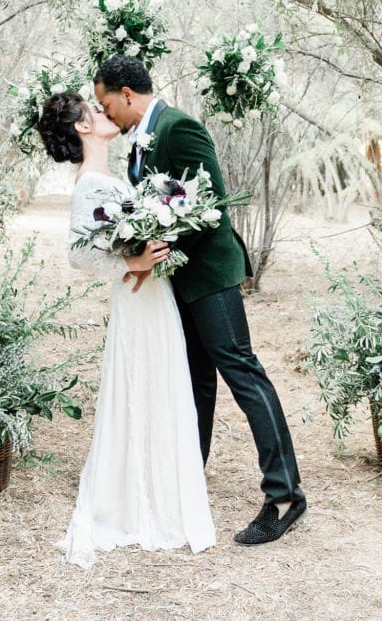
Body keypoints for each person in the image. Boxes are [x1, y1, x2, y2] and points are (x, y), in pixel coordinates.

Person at [93, 55, 306, 546]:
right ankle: (189, 475)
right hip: (177, 281)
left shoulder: (178, 126)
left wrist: (157, 251)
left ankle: (285, 495)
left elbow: (208, 208)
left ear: (128, 94)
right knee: (196, 384)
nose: (107, 115)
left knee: (243, 374)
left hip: (209, 276)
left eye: (107, 104)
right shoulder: (139, 143)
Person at [36, 92, 216, 569]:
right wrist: (131, 261)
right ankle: (137, 500)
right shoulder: (91, 182)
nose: (105, 113)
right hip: (137, 302)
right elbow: (79, 254)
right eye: (95, 111)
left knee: (160, 386)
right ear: (82, 128)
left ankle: (161, 490)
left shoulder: (109, 176)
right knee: (143, 386)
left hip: (152, 297)